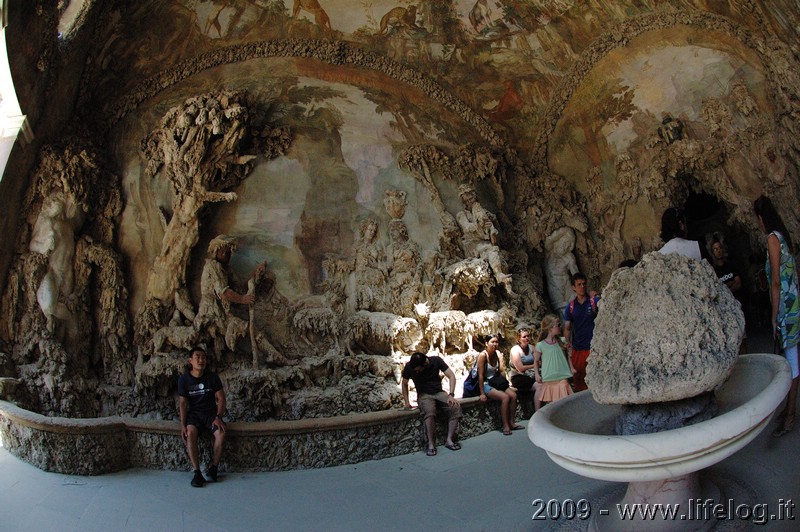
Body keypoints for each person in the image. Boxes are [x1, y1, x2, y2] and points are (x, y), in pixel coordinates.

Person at [754, 196, 799, 437]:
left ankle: (790, 415)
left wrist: (773, 317)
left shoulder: (773, 239)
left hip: (784, 310)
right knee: (791, 360)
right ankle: (788, 411)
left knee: (790, 363)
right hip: (794, 306)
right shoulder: (785, 238)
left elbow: (775, 282)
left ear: (761, 218)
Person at [194, 235, 263, 352]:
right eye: (223, 252)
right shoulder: (213, 266)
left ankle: (275, 356)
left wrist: (256, 273)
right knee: (246, 329)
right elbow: (224, 293)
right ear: (216, 252)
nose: (226, 255)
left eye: (228, 252)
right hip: (212, 313)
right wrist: (243, 299)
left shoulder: (227, 269)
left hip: (223, 312)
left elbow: (240, 286)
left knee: (250, 330)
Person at [178, 346, 227, 487]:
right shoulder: (184, 379)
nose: (201, 360)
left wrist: (218, 416)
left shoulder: (212, 377)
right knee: (190, 433)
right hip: (194, 415)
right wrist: (182, 425)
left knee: (221, 433)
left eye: (203, 357)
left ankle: (213, 467)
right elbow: (182, 403)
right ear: (190, 361)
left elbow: (221, 398)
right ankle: (197, 472)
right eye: (197, 357)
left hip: (211, 414)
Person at [401, 352, 463, 456]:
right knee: (429, 412)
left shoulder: (436, 361)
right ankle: (431, 444)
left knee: (455, 407)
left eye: (418, 369)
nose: (416, 371)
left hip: (439, 392)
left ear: (425, 363)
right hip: (424, 395)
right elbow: (404, 383)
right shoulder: (409, 366)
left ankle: (449, 440)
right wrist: (407, 402)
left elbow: (451, 375)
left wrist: (451, 394)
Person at [476, 333, 521, 435]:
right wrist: (482, 393)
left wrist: (505, 384)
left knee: (513, 395)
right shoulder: (483, 356)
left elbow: (501, 371)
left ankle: (512, 422)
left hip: (496, 381)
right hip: (486, 383)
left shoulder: (497, 354)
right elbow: (480, 376)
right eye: (492, 342)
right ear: (486, 343)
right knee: (505, 398)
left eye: (496, 342)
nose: (494, 344)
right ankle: (505, 425)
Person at [564, 272, 599, 392]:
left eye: (584, 284)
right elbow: (567, 327)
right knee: (579, 380)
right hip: (578, 348)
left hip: (594, 347)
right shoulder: (571, 307)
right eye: (579, 284)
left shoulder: (594, 302)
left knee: (596, 378)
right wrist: (568, 343)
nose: (582, 287)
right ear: (573, 287)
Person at [533, 314, 576, 410]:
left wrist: (571, 368)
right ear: (550, 328)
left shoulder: (562, 341)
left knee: (565, 401)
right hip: (549, 378)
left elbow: (567, 356)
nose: (560, 327)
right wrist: (537, 374)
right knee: (553, 406)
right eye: (558, 325)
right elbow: (536, 361)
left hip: (562, 377)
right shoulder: (540, 345)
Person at [508, 328, 539, 399]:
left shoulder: (532, 348)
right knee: (538, 385)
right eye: (524, 337)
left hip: (532, 374)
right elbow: (520, 368)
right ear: (518, 339)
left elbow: (538, 361)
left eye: (528, 336)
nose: (527, 338)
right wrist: (534, 365)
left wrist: (533, 366)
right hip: (518, 376)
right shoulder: (515, 350)